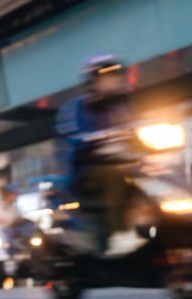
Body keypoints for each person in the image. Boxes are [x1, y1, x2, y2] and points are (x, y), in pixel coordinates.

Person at [56, 55, 136, 251]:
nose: (113, 81)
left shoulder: (123, 107)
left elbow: (137, 129)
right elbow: (72, 135)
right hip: (87, 171)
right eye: (107, 77)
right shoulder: (76, 107)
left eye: (116, 76)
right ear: (94, 81)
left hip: (122, 162)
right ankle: (118, 232)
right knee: (114, 177)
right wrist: (93, 138)